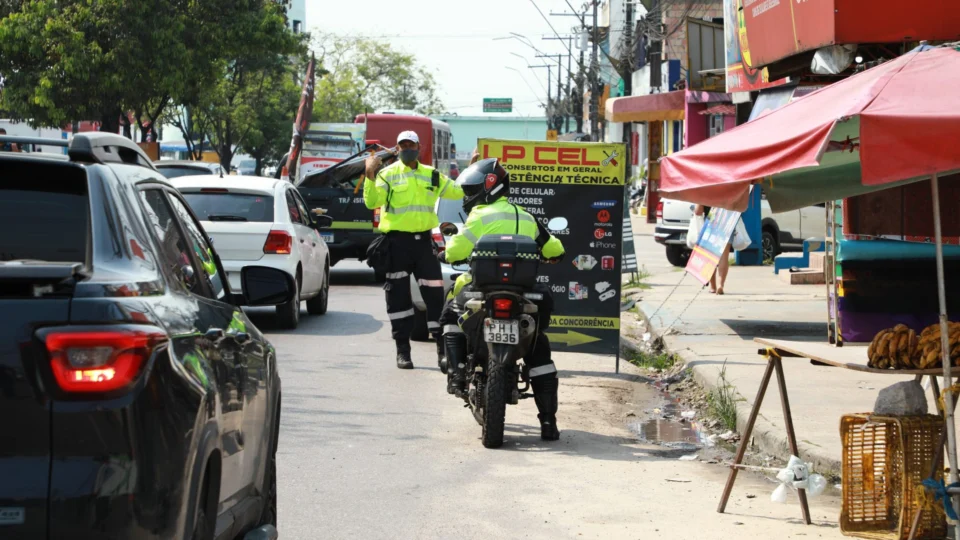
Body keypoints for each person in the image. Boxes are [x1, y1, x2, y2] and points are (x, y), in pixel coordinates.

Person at [437, 158, 566, 441]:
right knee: (539, 350)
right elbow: (556, 248)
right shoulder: (527, 217)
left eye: (472, 190)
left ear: (488, 188)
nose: (469, 196)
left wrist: (446, 250)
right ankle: (548, 423)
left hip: (480, 292)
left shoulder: (479, 216)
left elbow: (456, 251)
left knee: (449, 315)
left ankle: (457, 373)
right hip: (523, 296)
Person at [363, 131, 464, 369]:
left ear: (419, 147)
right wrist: (369, 174)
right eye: (403, 145)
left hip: (423, 246)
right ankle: (403, 351)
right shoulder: (387, 174)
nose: (407, 148)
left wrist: (469, 170)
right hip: (396, 245)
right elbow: (371, 202)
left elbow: (457, 192)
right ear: (397, 149)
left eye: (411, 144)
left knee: (435, 298)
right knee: (398, 299)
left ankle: (442, 351)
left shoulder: (432, 175)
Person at [694, 204, 731, 294]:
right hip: (727, 220)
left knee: (710, 255)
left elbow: (698, 211)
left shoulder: (706, 189)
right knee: (724, 256)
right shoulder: (729, 189)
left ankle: (713, 287)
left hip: (711, 220)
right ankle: (720, 285)